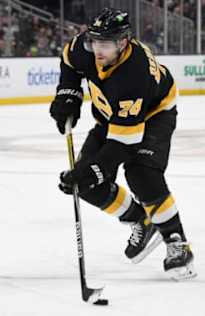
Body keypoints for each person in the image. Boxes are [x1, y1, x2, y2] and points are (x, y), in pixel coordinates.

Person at [49, 8, 196, 280]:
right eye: (94, 42)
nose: (97, 50)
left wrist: (95, 168)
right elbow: (69, 63)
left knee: (141, 173)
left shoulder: (134, 74)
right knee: (86, 184)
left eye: (105, 44)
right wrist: (68, 93)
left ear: (123, 42)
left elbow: (124, 144)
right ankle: (139, 219)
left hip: (154, 114)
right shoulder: (86, 46)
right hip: (111, 117)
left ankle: (177, 241)